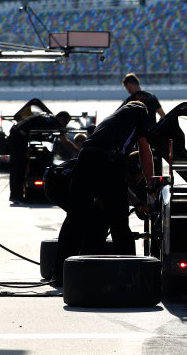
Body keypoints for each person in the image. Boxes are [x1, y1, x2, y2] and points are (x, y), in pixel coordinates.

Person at [52, 101, 154, 286]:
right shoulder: (139, 113)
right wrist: (151, 185)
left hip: (85, 159)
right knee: (119, 223)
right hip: (108, 159)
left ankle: (59, 274)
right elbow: (144, 151)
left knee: (74, 218)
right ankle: (130, 274)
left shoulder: (111, 120)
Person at [8, 111, 77, 204]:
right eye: (65, 123)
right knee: (18, 167)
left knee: (20, 167)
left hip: (18, 134)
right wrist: (78, 151)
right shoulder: (53, 122)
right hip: (18, 137)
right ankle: (16, 196)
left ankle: (17, 195)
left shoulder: (47, 118)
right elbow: (64, 141)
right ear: (60, 119)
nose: (64, 125)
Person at [120, 73, 165, 174]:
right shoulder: (151, 96)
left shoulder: (131, 99)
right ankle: (158, 182)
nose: (128, 90)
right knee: (156, 161)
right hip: (153, 135)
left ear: (130, 84)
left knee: (139, 161)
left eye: (127, 87)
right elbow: (163, 116)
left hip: (138, 136)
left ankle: (142, 182)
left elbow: (119, 116)